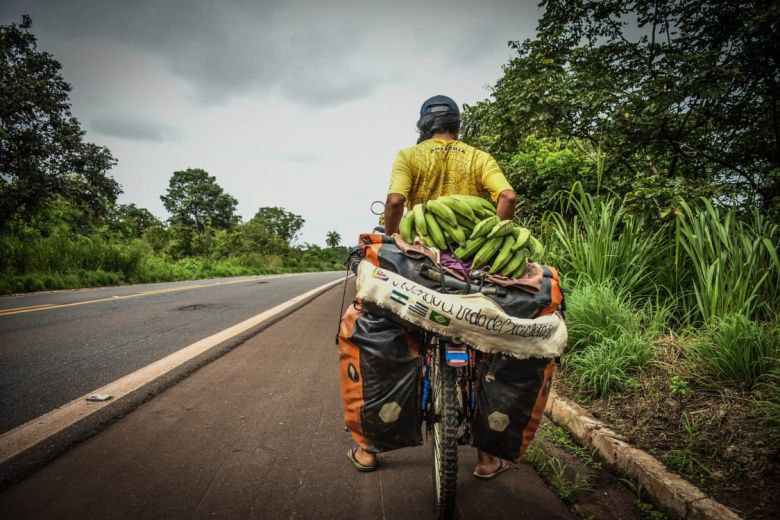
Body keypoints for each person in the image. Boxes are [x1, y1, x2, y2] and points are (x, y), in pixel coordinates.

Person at [347, 95, 517, 479]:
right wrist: (494, 238)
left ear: (424, 126)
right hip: (472, 268)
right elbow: (506, 196)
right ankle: (488, 458)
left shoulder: (411, 156)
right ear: (457, 125)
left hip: (417, 266)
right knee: (483, 350)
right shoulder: (477, 157)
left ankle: (368, 447)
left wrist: (392, 239)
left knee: (382, 336)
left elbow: (394, 201)